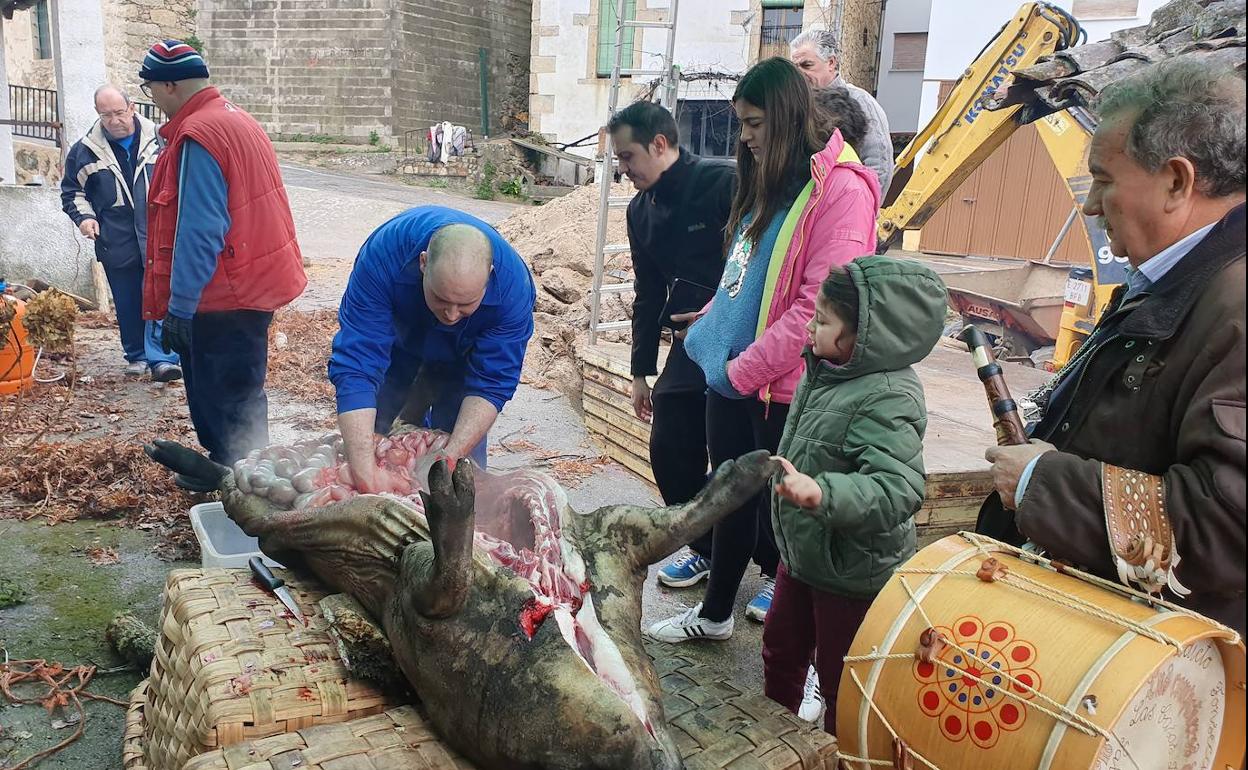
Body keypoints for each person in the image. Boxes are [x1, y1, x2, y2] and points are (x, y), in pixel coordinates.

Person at [978, 59, 1246, 635]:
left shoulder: (1236, 307)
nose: (1093, 205)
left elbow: (1228, 527)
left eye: (1103, 178)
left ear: (1177, 181)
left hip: (1158, 669)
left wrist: (1040, 483)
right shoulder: (1174, 278)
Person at [645, 57, 881, 643]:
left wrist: (740, 372)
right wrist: (715, 318)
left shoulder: (842, 193)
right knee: (731, 499)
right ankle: (715, 615)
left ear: (783, 116)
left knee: (792, 519)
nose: (743, 137)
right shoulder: (770, 181)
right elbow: (748, 277)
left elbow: (817, 308)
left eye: (753, 124)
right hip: (736, 375)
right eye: (741, 124)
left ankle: (811, 667)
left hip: (780, 386)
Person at [765, 258, 945, 732]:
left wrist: (821, 492)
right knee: (780, 650)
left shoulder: (889, 395)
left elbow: (897, 489)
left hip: (852, 570)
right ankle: (771, 741)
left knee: (841, 683)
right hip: (802, 553)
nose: (810, 327)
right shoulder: (825, 369)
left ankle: (839, 753)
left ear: (863, 334)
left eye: (823, 321)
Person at [138, 41, 307, 478]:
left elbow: (199, 229)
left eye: (151, 85)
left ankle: (240, 483)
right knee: (240, 390)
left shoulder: (200, 134)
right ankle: (233, 469)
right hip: (249, 282)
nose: (151, 94)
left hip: (224, 293)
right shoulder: (236, 118)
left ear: (170, 84)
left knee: (224, 393)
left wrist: (179, 305)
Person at [610, 101, 736, 588]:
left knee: (741, 452)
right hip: (687, 345)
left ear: (659, 145)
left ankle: (773, 568)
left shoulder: (722, 184)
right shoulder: (640, 212)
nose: (623, 171)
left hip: (741, 338)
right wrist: (641, 370)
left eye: (627, 158)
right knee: (668, 447)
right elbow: (647, 294)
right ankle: (704, 547)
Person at [329, 206, 536, 494]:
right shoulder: (383, 257)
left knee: (459, 473)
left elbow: (491, 383)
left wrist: (448, 459)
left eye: (465, 304)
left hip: (466, 355)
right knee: (372, 438)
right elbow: (357, 363)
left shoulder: (513, 291)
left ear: (488, 277)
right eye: (441, 298)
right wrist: (365, 473)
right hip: (399, 343)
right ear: (423, 263)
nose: (451, 314)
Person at [60, 85, 181, 382]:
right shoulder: (85, 150)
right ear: (98, 115)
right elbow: (72, 191)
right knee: (127, 300)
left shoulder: (162, 139)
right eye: (106, 115)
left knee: (159, 295)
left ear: (132, 108)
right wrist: (85, 219)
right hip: (116, 237)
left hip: (157, 233)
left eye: (118, 112)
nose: (114, 120)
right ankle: (137, 355)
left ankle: (163, 359)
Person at [790, 29, 893, 197]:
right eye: (795, 67)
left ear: (831, 63)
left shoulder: (861, 102)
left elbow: (879, 165)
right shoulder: (795, 104)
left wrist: (861, 211)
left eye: (807, 65)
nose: (800, 73)